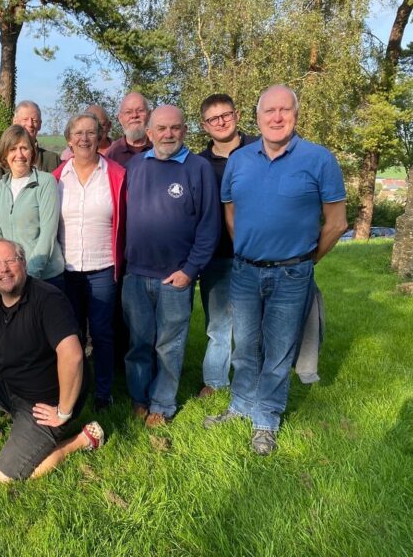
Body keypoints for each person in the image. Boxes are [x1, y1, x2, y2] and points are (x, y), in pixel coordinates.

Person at [205, 85, 347, 455]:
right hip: (245, 272)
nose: (277, 117)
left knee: (279, 351)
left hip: (292, 275)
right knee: (244, 347)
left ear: (296, 115)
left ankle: (265, 420)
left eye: (285, 110)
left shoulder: (319, 159)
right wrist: (247, 249)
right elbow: (231, 212)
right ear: (258, 118)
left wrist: (307, 260)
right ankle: (240, 405)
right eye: (269, 111)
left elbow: (336, 223)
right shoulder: (239, 160)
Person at [0, 239, 104, 482]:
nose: (3, 269)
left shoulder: (48, 299)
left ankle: (83, 439)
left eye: (10, 261)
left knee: (7, 475)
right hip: (9, 384)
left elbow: (73, 355)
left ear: (23, 263)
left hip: (45, 403)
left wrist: (64, 410)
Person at [123, 105, 220, 427]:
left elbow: (209, 225)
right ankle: (139, 398)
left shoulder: (198, 168)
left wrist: (190, 271)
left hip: (175, 277)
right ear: (149, 133)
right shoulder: (136, 166)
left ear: (185, 130)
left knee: (169, 346)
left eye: (175, 128)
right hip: (136, 274)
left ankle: (162, 405)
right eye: (161, 129)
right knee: (139, 344)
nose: (168, 134)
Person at [52, 112, 126, 411]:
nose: (84, 138)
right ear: (69, 140)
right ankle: (76, 388)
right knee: (72, 335)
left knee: (103, 332)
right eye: (78, 133)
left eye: (91, 132)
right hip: (66, 270)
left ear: (100, 137)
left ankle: (104, 392)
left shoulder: (116, 174)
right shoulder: (56, 178)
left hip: (103, 268)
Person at [196, 94, 258, 398]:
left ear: (237, 115)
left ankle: (253, 380)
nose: (221, 122)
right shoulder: (199, 163)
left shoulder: (259, 149)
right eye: (213, 118)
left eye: (226, 115)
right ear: (204, 125)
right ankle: (215, 380)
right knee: (218, 324)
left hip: (256, 253)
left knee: (253, 324)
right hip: (216, 254)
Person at [0, 125, 65, 290]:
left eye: (24, 148)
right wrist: (2, 270)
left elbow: (48, 233)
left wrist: (29, 275)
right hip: (10, 278)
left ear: (32, 151)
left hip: (45, 277)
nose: (19, 155)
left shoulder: (46, 182)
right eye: (13, 149)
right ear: (5, 154)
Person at [12, 100, 61, 173]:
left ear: (40, 124)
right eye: (25, 119)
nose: (30, 124)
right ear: (15, 122)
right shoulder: (2, 162)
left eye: (34, 121)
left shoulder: (53, 160)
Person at [107, 92, 153, 167]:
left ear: (149, 115)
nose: (134, 115)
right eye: (128, 112)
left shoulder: (159, 148)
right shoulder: (112, 154)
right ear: (120, 118)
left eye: (140, 110)